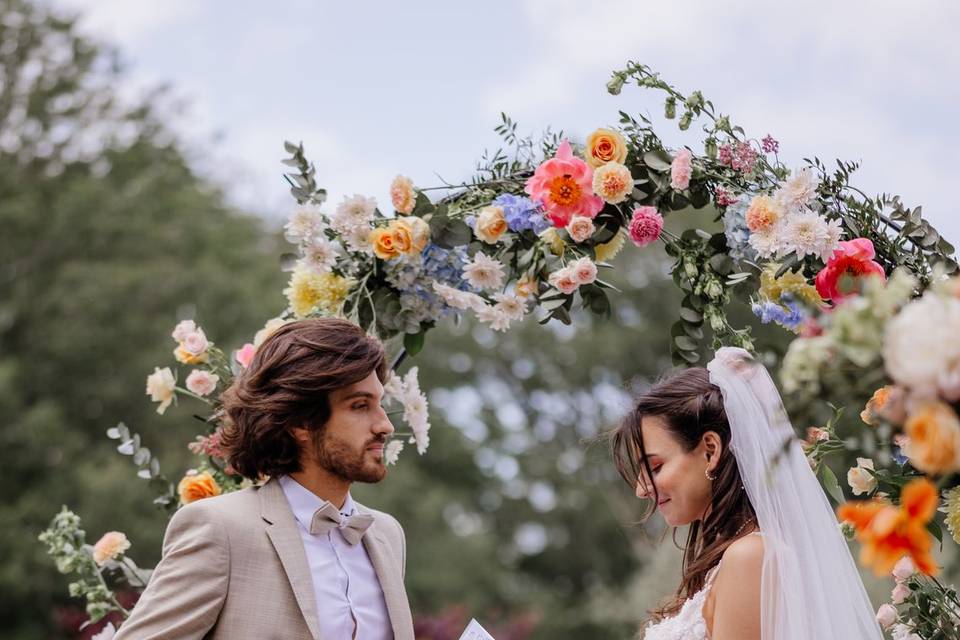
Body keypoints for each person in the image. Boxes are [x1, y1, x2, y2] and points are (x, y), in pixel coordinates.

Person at [116, 318, 414, 640]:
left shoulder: (387, 536)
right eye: (360, 406)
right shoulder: (221, 529)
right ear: (301, 423)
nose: (384, 425)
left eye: (379, 404)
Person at [611, 347, 883, 640]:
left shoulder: (750, 557)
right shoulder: (729, 559)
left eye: (655, 466)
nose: (641, 489)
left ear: (710, 450)